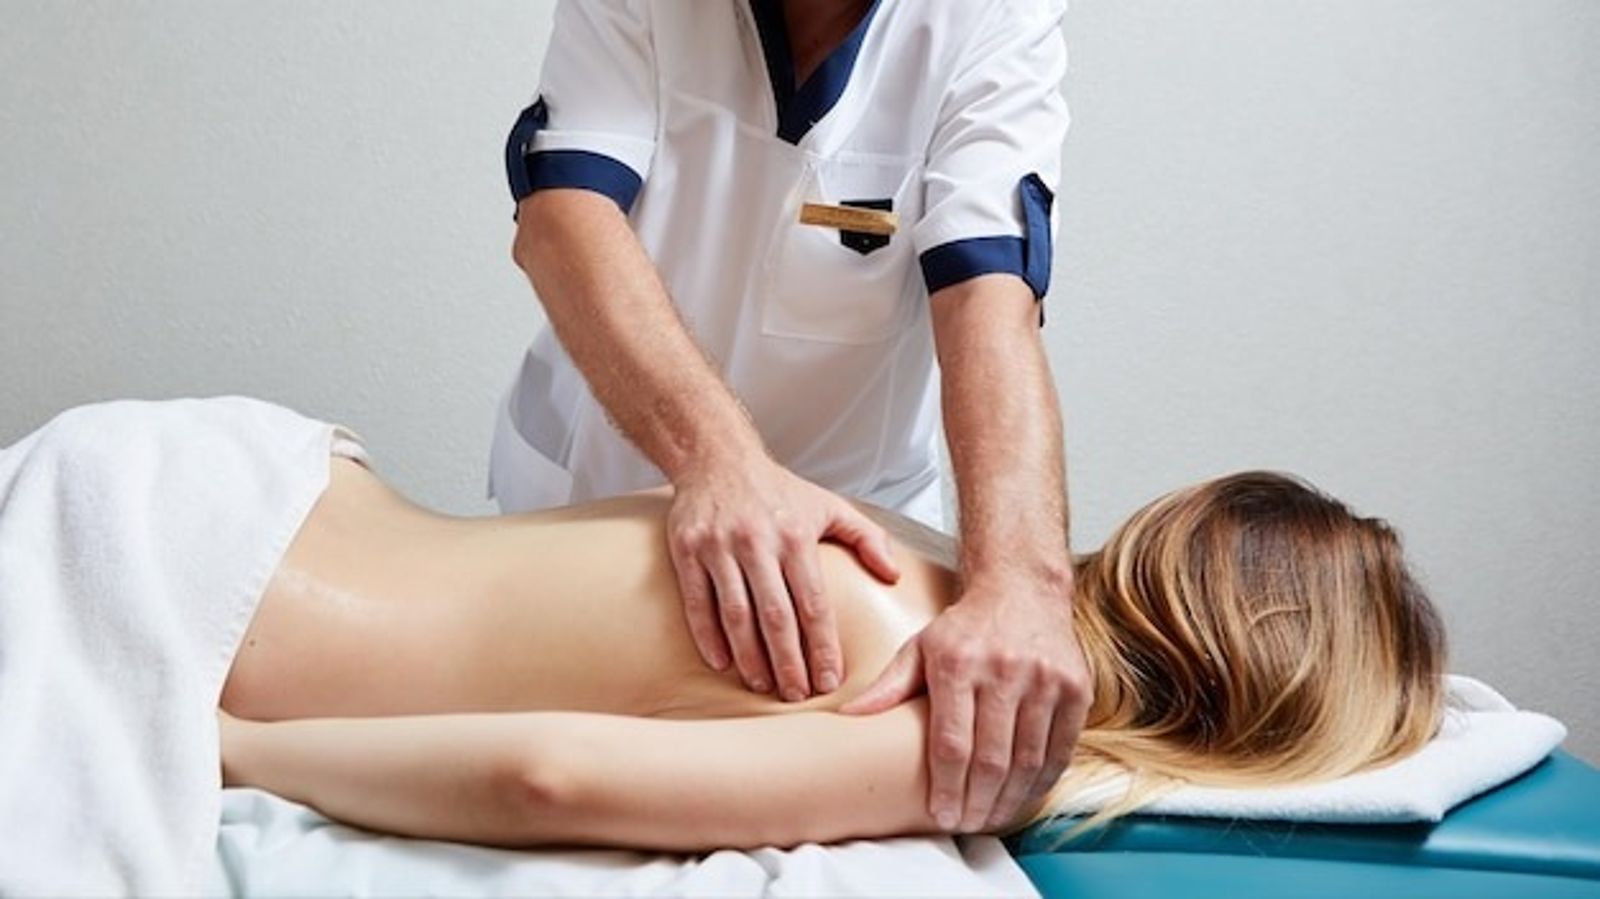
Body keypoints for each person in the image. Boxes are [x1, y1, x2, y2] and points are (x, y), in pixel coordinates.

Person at [219, 427, 1447, 849]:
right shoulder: (962, 731)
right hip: (217, 606)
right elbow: (547, 775)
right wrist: (226, 749)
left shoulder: (913, 543)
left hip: (255, 478)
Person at [495, 0, 1086, 833]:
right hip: (596, 495)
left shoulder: (989, 17)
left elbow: (989, 304)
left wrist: (1022, 585)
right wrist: (720, 461)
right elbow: (563, 222)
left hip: (845, 559)